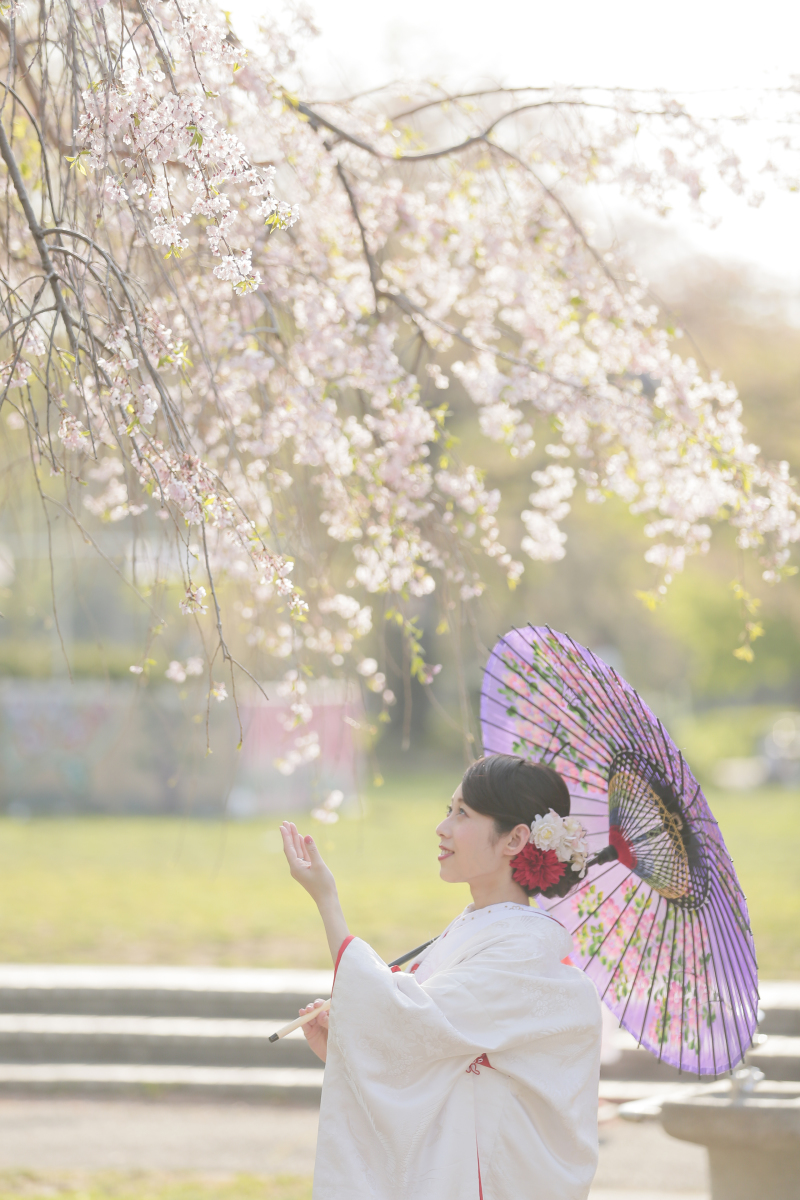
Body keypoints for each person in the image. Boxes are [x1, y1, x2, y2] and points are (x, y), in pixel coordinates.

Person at [279, 753, 602, 1200]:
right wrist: (346, 1045)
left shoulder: (522, 952)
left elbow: (406, 1018)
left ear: (516, 839)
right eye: (448, 809)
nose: (443, 827)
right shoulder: (475, 931)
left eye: (463, 813)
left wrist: (327, 900)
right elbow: (425, 1046)